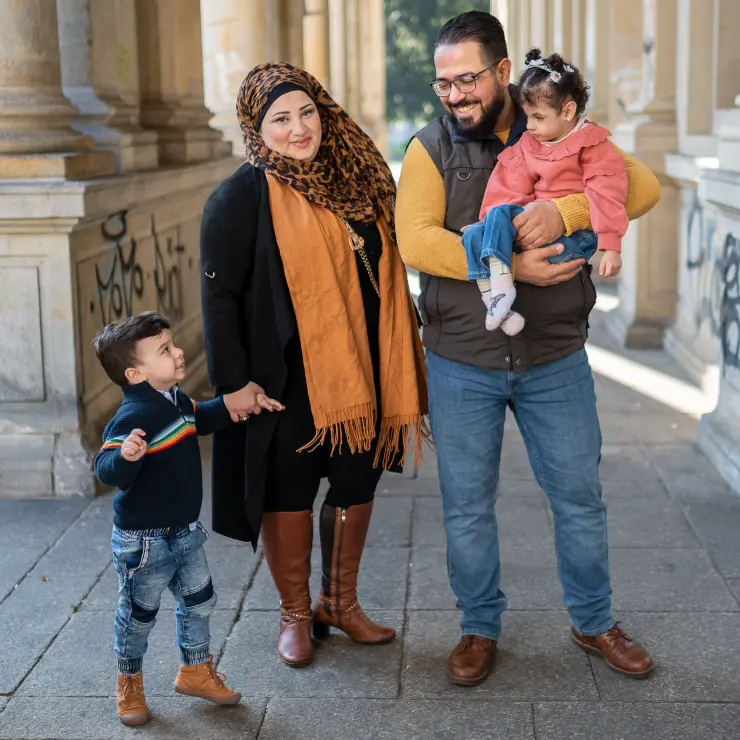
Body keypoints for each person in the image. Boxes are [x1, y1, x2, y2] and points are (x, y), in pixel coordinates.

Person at [396, 10, 659, 687]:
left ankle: (593, 620)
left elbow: (644, 187)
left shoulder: (561, 125)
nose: (454, 94)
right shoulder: (429, 148)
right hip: (463, 359)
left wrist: (566, 212)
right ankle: (478, 627)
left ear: (505, 73)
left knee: (578, 496)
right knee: (466, 504)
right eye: (442, 83)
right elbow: (416, 240)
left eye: (467, 79)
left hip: (553, 355)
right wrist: (509, 253)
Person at [200, 63, 427, 669]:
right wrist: (233, 385)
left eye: (306, 112)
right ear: (256, 125)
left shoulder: (358, 176)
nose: (299, 128)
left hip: (364, 368)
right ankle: (296, 613)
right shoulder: (240, 198)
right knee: (290, 490)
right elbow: (218, 298)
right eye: (280, 118)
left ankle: (340, 603)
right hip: (285, 381)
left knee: (357, 481)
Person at [93, 312, 253, 726]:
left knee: (200, 600)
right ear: (134, 372)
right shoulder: (133, 416)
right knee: (138, 614)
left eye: (172, 343)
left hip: (183, 532)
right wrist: (124, 456)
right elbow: (105, 467)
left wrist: (232, 404)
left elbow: (199, 416)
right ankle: (129, 682)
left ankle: (195, 670)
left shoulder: (174, 399)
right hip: (144, 543)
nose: (178, 352)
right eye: (165, 349)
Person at [463, 48, 627, 334]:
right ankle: (498, 300)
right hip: (533, 230)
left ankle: (502, 289)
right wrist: (493, 225)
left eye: (538, 117)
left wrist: (611, 246)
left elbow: (606, 192)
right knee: (476, 235)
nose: (530, 126)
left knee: (499, 237)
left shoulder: (592, 143)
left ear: (568, 111)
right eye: (528, 117)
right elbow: (509, 186)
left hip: (577, 238)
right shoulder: (529, 145)